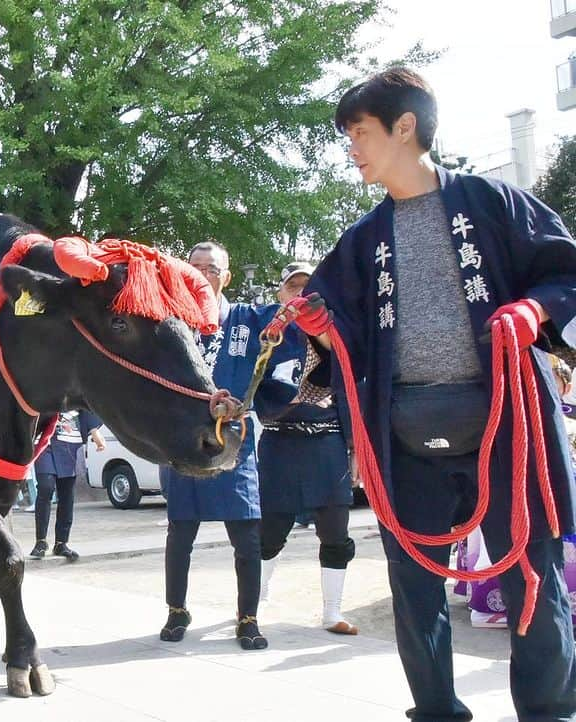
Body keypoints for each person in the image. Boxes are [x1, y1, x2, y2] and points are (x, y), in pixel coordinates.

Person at [293, 67, 576, 721]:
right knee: (414, 585)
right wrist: (326, 335)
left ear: (405, 127)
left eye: (359, 133)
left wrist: (533, 311)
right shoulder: (364, 239)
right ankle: (437, 710)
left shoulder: (493, 203)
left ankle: (549, 710)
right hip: (406, 428)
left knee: (528, 571)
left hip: (507, 422)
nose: (352, 149)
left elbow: (565, 273)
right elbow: (343, 337)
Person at [158, 241, 271, 650]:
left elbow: (284, 347)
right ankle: (177, 609)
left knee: (246, 535)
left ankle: (248, 617)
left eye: (212, 268)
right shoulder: (169, 321)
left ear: (226, 277)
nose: (203, 274)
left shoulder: (247, 319)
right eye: (195, 267)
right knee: (180, 532)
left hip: (233, 439)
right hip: (184, 438)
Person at [254, 261, 358, 635]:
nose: (300, 294)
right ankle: (256, 603)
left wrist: (356, 446)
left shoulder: (340, 332)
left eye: (307, 287)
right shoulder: (266, 334)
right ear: (281, 293)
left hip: (328, 442)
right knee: (269, 530)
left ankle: (332, 611)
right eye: (292, 288)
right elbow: (249, 385)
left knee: (335, 531)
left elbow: (353, 389)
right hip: (280, 442)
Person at [30, 410, 103, 561]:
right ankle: (41, 541)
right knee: (45, 486)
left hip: (69, 438)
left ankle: (61, 542)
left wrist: (94, 432)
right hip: (44, 436)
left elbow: (85, 398)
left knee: (66, 493)